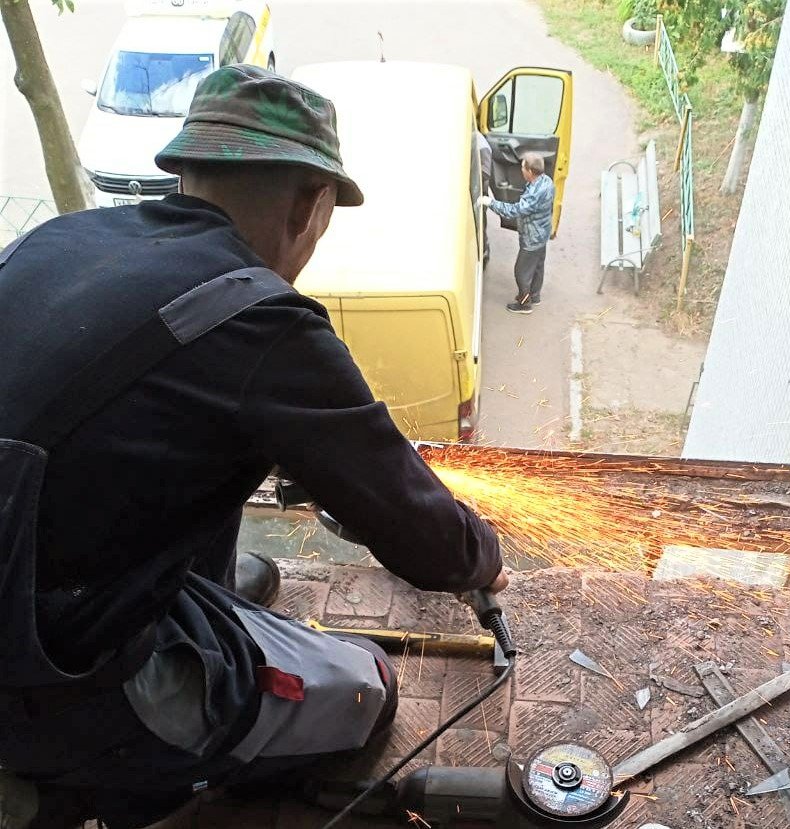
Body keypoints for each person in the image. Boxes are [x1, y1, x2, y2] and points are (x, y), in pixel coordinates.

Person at [0, 64, 505, 828]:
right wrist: (481, 555)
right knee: (365, 690)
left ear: (186, 171)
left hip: (37, 571)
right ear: (310, 203)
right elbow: (416, 529)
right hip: (53, 670)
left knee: (238, 572)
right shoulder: (257, 321)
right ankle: (70, 790)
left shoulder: (58, 240)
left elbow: (121, 426)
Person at [480, 152, 555, 314]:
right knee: (537, 267)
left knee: (521, 271)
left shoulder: (534, 193)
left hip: (532, 238)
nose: (521, 170)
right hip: (542, 234)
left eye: (523, 167)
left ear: (529, 171)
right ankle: (535, 296)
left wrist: (490, 203)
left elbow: (515, 211)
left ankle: (524, 303)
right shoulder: (546, 181)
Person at [476, 131, 493, 268]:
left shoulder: (481, 146)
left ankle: (483, 253)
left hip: (479, 194)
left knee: (480, 225)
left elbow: (485, 173)